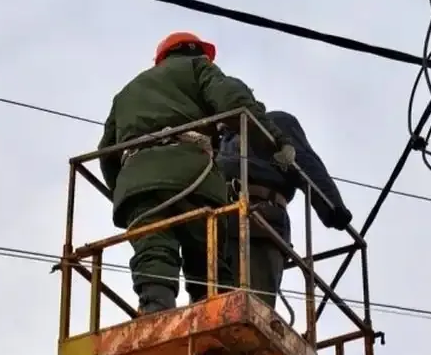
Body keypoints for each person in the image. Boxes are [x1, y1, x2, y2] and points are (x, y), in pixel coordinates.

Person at [97, 31, 296, 315]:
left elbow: (107, 153)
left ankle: (155, 308)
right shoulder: (197, 67)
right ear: (197, 52)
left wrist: (125, 191)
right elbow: (233, 101)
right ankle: (212, 313)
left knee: (153, 248)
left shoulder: (127, 92)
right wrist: (276, 140)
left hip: (137, 183)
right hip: (192, 177)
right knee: (206, 257)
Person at [219, 110, 354, 309]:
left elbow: (306, 163)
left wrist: (332, 206)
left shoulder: (274, 123)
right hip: (219, 225)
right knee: (213, 302)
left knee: (253, 304)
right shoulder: (219, 138)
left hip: (260, 221)